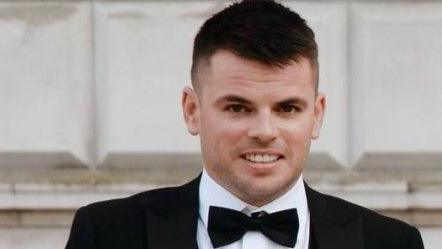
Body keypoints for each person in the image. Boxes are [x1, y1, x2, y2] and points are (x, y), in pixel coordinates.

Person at [65, 1, 425, 249]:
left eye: (287, 108)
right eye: (238, 108)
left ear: (316, 115)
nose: (265, 131)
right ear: (192, 110)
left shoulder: (391, 243)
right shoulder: (106, 235)